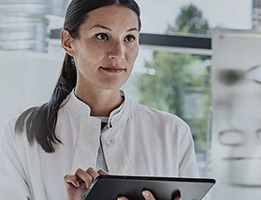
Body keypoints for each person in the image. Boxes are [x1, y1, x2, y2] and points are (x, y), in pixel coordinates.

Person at [0, 0, 199, 199]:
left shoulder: (173, 133)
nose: (118, 53)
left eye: (129, 38)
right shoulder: (22, 132)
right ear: (68, 42)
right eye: (102, 36)